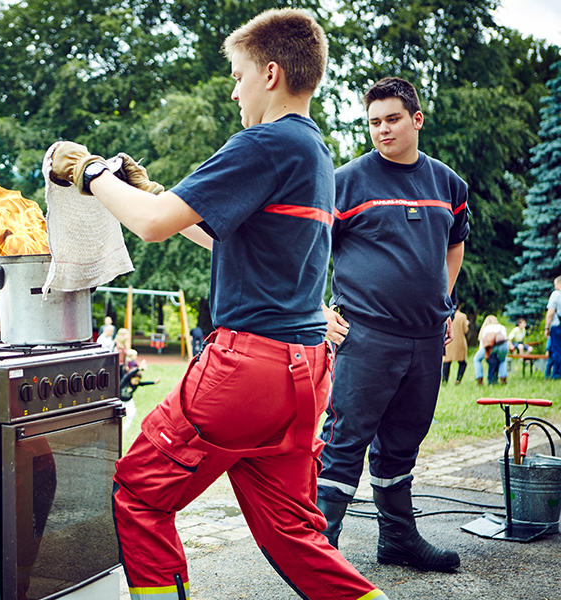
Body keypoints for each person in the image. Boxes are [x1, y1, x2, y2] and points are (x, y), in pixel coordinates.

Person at [50, 8, 388, 600]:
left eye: (237, 75)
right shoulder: (313, 151)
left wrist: (92, 172)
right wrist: (151, 192)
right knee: (293, 533)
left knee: (139, 493)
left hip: (246, 371)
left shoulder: (262, 142)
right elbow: (216, 231)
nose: (233, 90)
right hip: (304, 371)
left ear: (271, 74)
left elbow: (151, 227)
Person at [318, 77, 467, 572]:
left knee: (404, 440)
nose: (382, 130)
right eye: (374, 122)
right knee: (344, 442)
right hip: (365, 337)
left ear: (416, 119)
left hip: (426, 339)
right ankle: (320, 551)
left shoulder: (449, 185)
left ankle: (398, 540)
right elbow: (305, 249)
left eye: (392, 119)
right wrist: (319, 311)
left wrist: (444, 301)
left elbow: (454, 243)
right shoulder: (347, 181)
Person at [474, 315, 509, 385]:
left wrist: (484, 352)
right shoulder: (502, 327)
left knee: (476, 359)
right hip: (503, 346)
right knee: (503, 360)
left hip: (492, 347)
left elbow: (484, 342)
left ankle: (479, 379)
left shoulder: (486, 328)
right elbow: (505, 338)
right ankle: (503, 380)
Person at [442, 308, 469, 384]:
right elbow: (465, 330)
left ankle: (444, 380)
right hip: (460, 342)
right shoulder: (462, 316)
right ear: (459, 306)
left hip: (449, 342)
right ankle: (458, 380)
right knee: (462, 363)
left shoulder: (446, 314)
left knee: (447, 362)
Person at [545, 276, 561, 378]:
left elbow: (551, 312)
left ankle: (557, 374)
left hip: (557, 326)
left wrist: (547, 327)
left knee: (557, 350)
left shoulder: (556, 294)